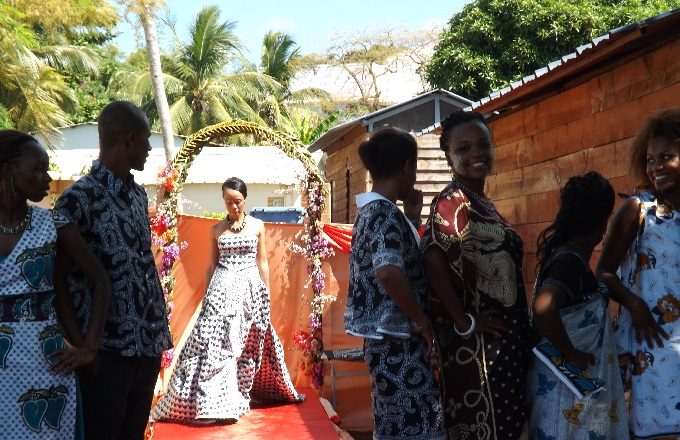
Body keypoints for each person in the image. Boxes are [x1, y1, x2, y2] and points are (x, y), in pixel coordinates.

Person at [55, 101, 173, 440]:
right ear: (130, 139)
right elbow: (58, 281)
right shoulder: (78, 199)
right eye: (147, 140)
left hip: (146, 346)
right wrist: (85, 349)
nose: (149, 149)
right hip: (107, 353)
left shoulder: (137, 196)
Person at [150, 176, 300, 423]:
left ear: (245, 199)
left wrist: (265, 293)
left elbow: (262, 262)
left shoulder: (257, 226)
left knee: (249, 342)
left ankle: (240, 394)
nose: (234, 206)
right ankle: (212, 402)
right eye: (229, 201)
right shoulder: (217, 230)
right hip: (222, 289)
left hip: (250, 290)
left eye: (237, 201)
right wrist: (207, 296)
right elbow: (212, 265)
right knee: (215, 343)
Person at [421, 110, 532, 439]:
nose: (477, 153)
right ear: (449, 156)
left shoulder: (481, 202)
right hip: (479, 352)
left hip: (505, 345)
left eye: (483, 144)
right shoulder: (451, 202)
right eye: (464, 148)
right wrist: (464, 321)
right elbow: (432, 257)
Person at [0, 130, 110, 439]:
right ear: (9, 170)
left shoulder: (54, 222)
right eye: (38, 169)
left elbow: (100, 280)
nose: (47, 178)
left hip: (45, 365)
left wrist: (89, 347)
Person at [345, 127, 445, 440]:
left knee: (396, 425)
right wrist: (421, 321)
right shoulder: (383, 212)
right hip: (398, 342)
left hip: (387, 342)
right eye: (414, 167)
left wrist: (412, 219)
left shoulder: (373, 210)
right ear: (406, 167)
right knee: (418, 425)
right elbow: (388, 271)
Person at [597, 109, 680, 439]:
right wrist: (634, 304)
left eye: (666, 157)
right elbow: (604, 273)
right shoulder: (638, 210)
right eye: (650, 160)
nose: (656, 166)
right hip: (653, 344)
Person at [527, 171, 628, 439]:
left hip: (563, 389)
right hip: (564, 389)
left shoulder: (567, 256)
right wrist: (571, 353)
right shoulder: (568, 262)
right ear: (601, 224)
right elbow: (544, 306)